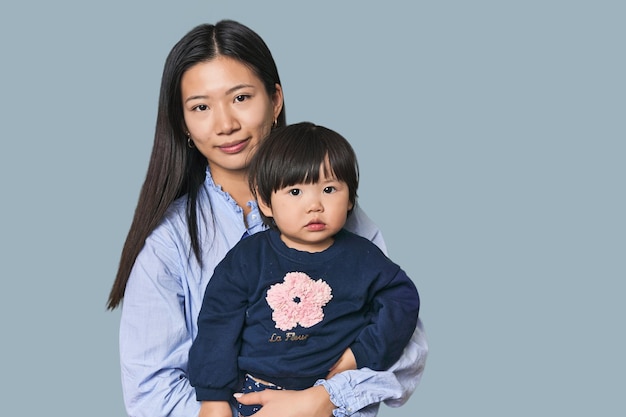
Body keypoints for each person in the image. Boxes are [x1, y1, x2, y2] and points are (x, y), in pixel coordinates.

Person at [106, 19, 428, 417]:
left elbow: (407, 349)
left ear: (275, 101)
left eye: (241, 97)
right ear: (183, 123)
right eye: (201, 107)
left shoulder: (333, 213)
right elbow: (150, 392)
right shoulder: (168, 242)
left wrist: (323, 399)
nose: (225, 124)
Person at [188, 121, 421, 417]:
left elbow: (404, 302)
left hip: (331, 400)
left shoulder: (363, 258)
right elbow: (217, 323)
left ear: (350, 197)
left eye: (328, 189)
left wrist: (359, 355)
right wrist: (213, 397)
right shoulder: (249, 258)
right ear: (266, 201)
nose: (314, 205)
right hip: (254, 394)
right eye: (295, 191)